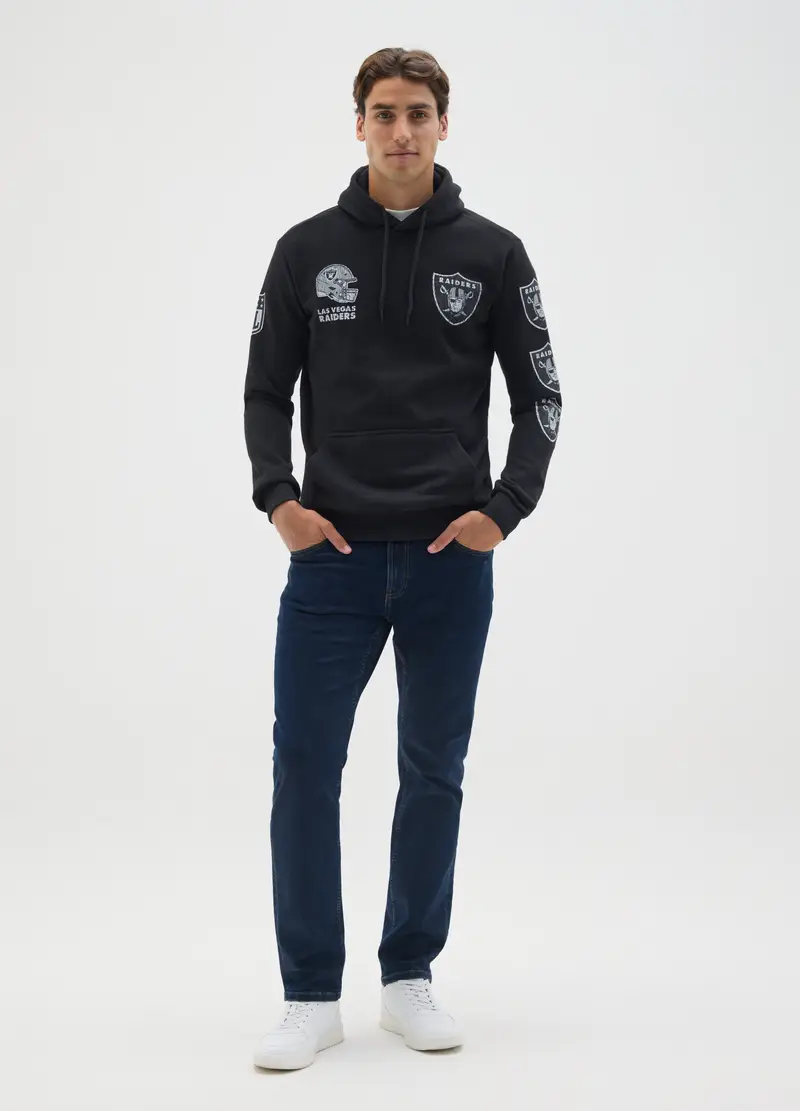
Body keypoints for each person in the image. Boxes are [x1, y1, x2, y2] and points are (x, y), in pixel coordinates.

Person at [244, 46, 562, 1071]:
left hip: (445, 559)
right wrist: (279, 499)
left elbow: (541, 396)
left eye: (417, 112)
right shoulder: (304, 252)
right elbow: (264, 391)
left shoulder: (493, 253)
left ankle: (408, 975)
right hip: (330, 560)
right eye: (382, 112)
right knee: (304, 767)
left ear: (441, 124)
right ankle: (309, 993)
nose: (400, 130)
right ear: (358, 124)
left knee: (432, 769)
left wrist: (503, 510)